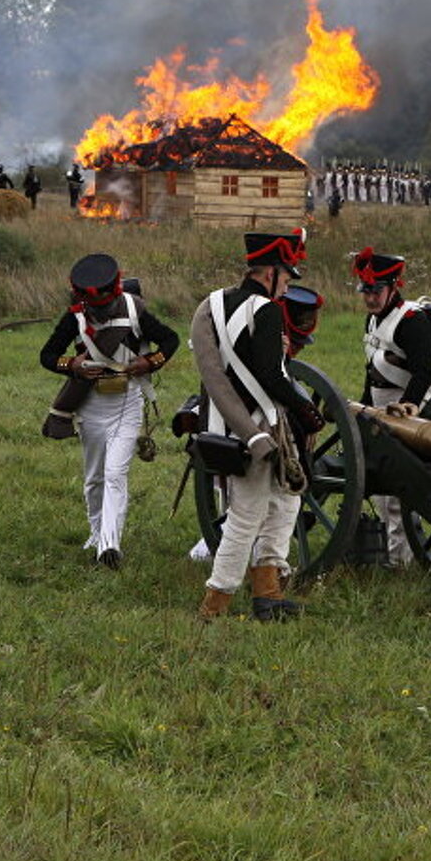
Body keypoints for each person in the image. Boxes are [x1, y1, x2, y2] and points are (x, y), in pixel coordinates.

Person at [191, 230, 325, 620]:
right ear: (270, 272)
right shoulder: (265, 310)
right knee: (247, 514)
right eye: (285, 276)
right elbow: (271, 375)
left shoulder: (212, 304)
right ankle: (214, 604)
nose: (287, 284)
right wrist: (307, 410)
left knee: (285, 500)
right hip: (258, 429)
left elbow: (215, 369)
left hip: (223, 424)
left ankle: (268, 592)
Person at [39, 253, 179, 569]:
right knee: (94, 478)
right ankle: (96, 531)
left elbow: (170, 340)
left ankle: (108, 546)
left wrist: (148, 362)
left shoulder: (134, 309)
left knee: (116, 474)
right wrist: (72, 365)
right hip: (90, 406)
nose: (99, 313)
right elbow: (47, 355)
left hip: (127, 403)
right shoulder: (74, 316)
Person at [352, 246, 431, 569]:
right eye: (366, 291)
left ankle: (402, 559)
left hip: (408, 407)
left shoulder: (412, 322)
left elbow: (423, 373)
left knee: (399, 488)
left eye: (375, 291)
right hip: (380, 405)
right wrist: (363, 408)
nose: (370, 298)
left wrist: (408, 408)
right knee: (381, 489)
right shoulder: (372, 320)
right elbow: (371, 368)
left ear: (393, 287)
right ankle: (391, 551)